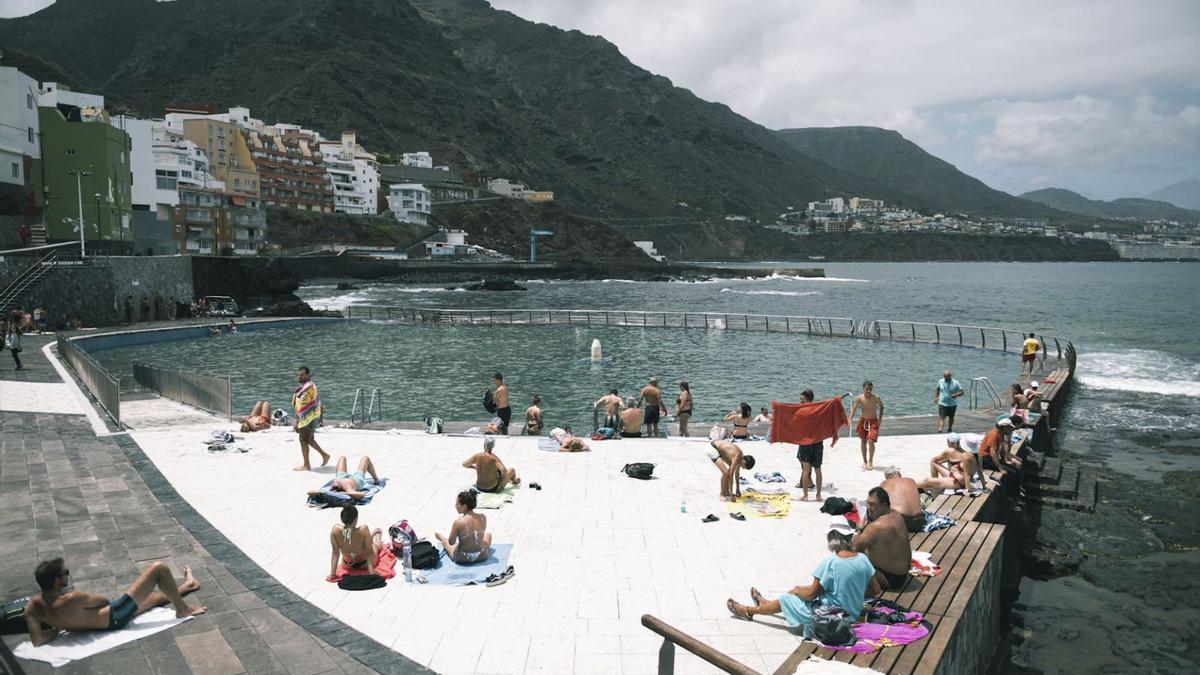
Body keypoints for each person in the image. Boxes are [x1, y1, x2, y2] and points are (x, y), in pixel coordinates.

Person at [23, 558, 205, 645]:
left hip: (99, 622)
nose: (67, 576)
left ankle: (189, 585)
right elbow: (103, 601)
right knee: (159, 568)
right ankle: (183, 609)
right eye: (66, 573)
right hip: (116, 616)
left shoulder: (32, 606)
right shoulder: (70, 598)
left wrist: (58, 628)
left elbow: (37, 640)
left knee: (152, 599)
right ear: (56, 581)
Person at [726, 530, 879, 623]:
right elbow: (875, 590)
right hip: (852, 612)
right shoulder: (862, 558)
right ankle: (765, 604)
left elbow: (812, 594)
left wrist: (798, 591)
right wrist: (852, 593)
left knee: (789, 597)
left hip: (831, 617)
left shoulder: (830, 562)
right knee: (797, 592)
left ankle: (748, 611)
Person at [853, 487, 913, 591]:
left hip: (888, 578)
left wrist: (860, 529)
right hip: (902, 575)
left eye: (872, 504)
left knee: (849, 561)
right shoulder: (896, 515)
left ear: (884, 505)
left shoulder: (877, 526)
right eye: (867, 503)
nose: (868, 508)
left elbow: (853, 548)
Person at [325, 505, 383, 581]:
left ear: (342, 519)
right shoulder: (363, 529)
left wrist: (333, 574)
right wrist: (371, 572)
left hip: (347, 565)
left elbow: (335, 553)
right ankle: (375, 536)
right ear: (356, 519)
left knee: (363, 542)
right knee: (376, 546)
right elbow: (369, 552)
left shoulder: (335, 530)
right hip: (364, 564)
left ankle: (370, 536)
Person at [436, 490, 492, 564]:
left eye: (457, 504)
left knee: (446, 542)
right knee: (488, 535)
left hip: (463, 557)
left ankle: (441, 538)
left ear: (464, 506)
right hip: (481, 556)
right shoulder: (482, 517)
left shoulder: (459, 522)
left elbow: (451, 542)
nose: (455, 506)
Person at [292, 366, 330, 471]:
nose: (299, 377)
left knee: (303, 440)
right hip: (310, 417)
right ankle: (325, 455)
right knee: (309, 439)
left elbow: (307, 406)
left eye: (302, 375)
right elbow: (306, 404)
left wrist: (298, 421)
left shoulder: (308, 387)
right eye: (298, 375)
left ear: (308, 375)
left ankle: (306, 465)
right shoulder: (306, 386)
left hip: (308, 418)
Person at [307, 456, 381, 501]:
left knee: (342, 458)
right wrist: (344, 493)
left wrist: (322, 492)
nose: (332, 485)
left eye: (332, 486)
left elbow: (309, 492)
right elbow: (361, 495)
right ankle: (376, 479)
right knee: (366, 458)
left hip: (341, 477)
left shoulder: (330, 488)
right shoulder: (347, 488)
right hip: (356, 480)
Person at [848, 381, 884, 470]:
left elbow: (882, 407)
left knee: (871, 441)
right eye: (867, 389)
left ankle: (870, 460)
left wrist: (880, 419)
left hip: (873, 421)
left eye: (870, 389)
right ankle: (864, 461)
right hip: (863, 421)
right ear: (863, 388)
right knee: (863, 441)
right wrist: (850, 419)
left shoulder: (876, 398)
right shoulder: (859, 398)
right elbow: (854, 409)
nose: (868, 391)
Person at [795, 389, 824, 501]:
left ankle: (806, 495)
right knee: (817, 469)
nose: (800, 401)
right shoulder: (819, 409)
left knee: (806, 470)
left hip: (806, 443)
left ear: (807, 399)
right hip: (817, 442)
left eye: (802, 399)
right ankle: (818, 495)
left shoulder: (800, 411)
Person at [880, 468, 924, 532]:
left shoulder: (884, 483)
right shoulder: (911, 480)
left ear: (888, 476)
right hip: (919, 520)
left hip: (901, 521)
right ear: (899, 474)